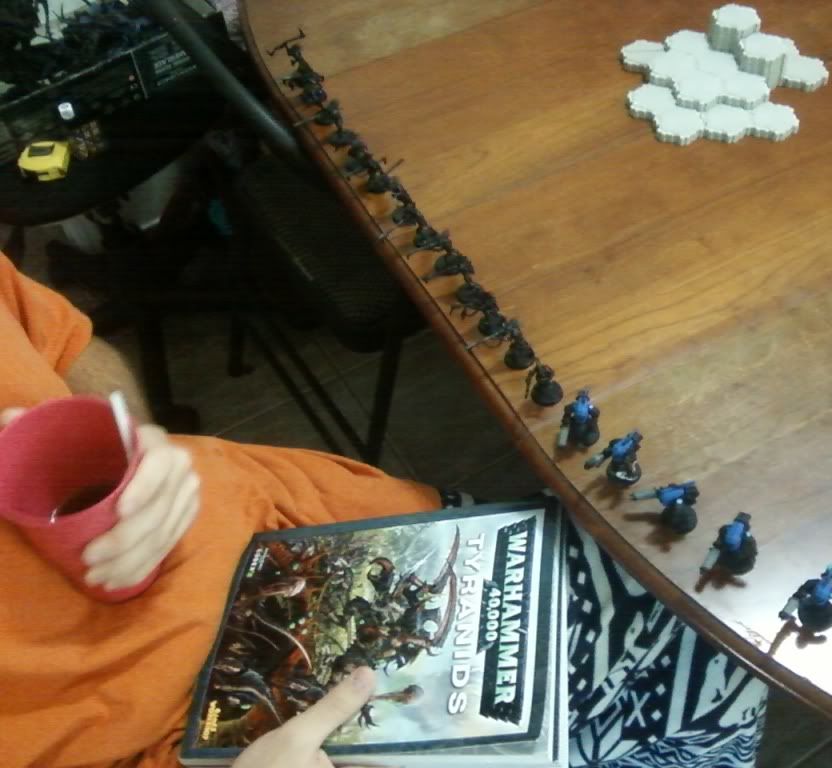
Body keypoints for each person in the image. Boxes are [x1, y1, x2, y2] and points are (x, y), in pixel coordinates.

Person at [0, 251, 768, 767]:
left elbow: (66, 343)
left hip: (333, 533)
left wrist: (134, 433)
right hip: (203, 740)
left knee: (714, 641)